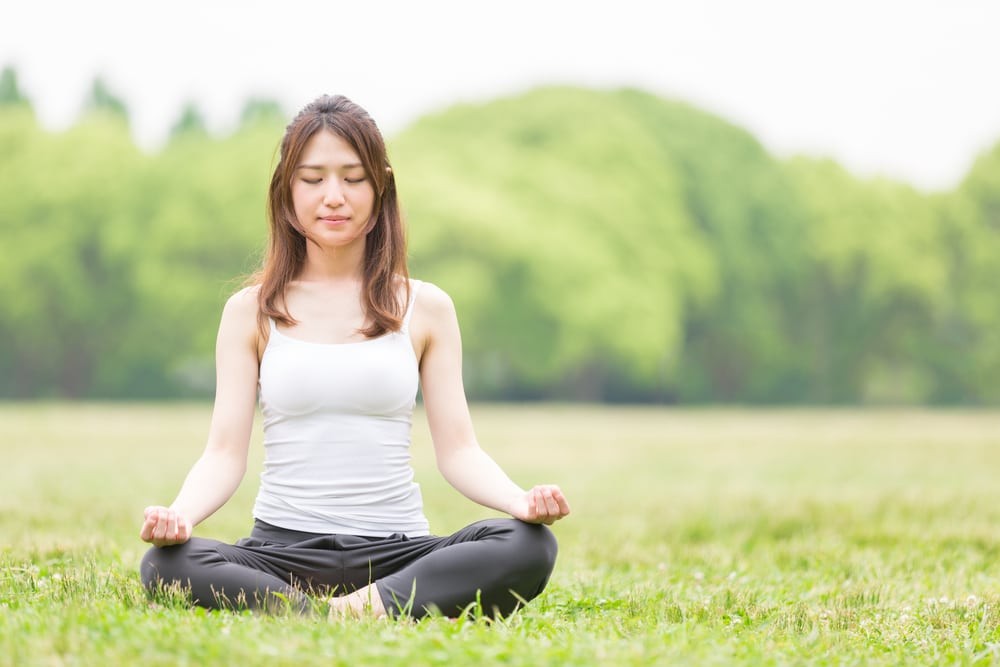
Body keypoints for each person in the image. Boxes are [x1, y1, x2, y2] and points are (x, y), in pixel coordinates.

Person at [139, 94, 571, 620]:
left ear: (380, 186)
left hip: (398, 551)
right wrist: (179, 516)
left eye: (353, 177)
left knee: (528, 545)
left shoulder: (426, 307)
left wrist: (519, 503)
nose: (334, 196)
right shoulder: (248, 311)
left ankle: (351, 608)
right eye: (313, 178)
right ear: (287, 192)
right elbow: (225, 454)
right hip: (279, 552)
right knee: (164, 565)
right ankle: (323, 609)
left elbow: (458, 451)